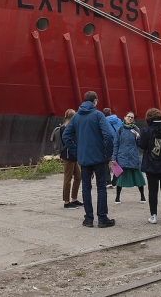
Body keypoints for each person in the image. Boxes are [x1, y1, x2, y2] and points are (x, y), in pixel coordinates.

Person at [62, 91, 115, 228]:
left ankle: (88, 219)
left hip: (84, 159)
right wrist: (107, 153)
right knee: (101, 188)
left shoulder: (77, 117)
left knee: (86, 188)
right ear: (95, 101)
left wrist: (78, 152)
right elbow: (108, 135)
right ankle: (102, 219)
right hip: (99, 158)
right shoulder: (98, 115)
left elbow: (66, 136)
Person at [112, 112, 146, 204]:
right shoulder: (120, 129)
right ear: (124, 117)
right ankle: (117, 197)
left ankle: (142, 196)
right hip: (122, 156)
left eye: (132, 117)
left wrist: (138, 137)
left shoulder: (136, 129)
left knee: (138, 177)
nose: (130, 118)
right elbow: (116, 144)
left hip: (133, 156)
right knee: (120, 178)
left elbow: (140, 143)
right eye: (128, 117)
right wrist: (114, 158)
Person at [59, 108, 82, 209]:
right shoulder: (66, 128)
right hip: (68, 155)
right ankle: (66, 202)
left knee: (78, 177)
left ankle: (74, 198)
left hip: (72, 156)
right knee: (68, 178)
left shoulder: (67, 127)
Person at [103, 108, 122, 187]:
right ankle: (115, 180)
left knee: (104, 162)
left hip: (107, 143)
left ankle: (107, 181)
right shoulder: (119, 120)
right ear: (111, 113)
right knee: (116, 161)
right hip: (118, 143)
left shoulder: (103, 122)